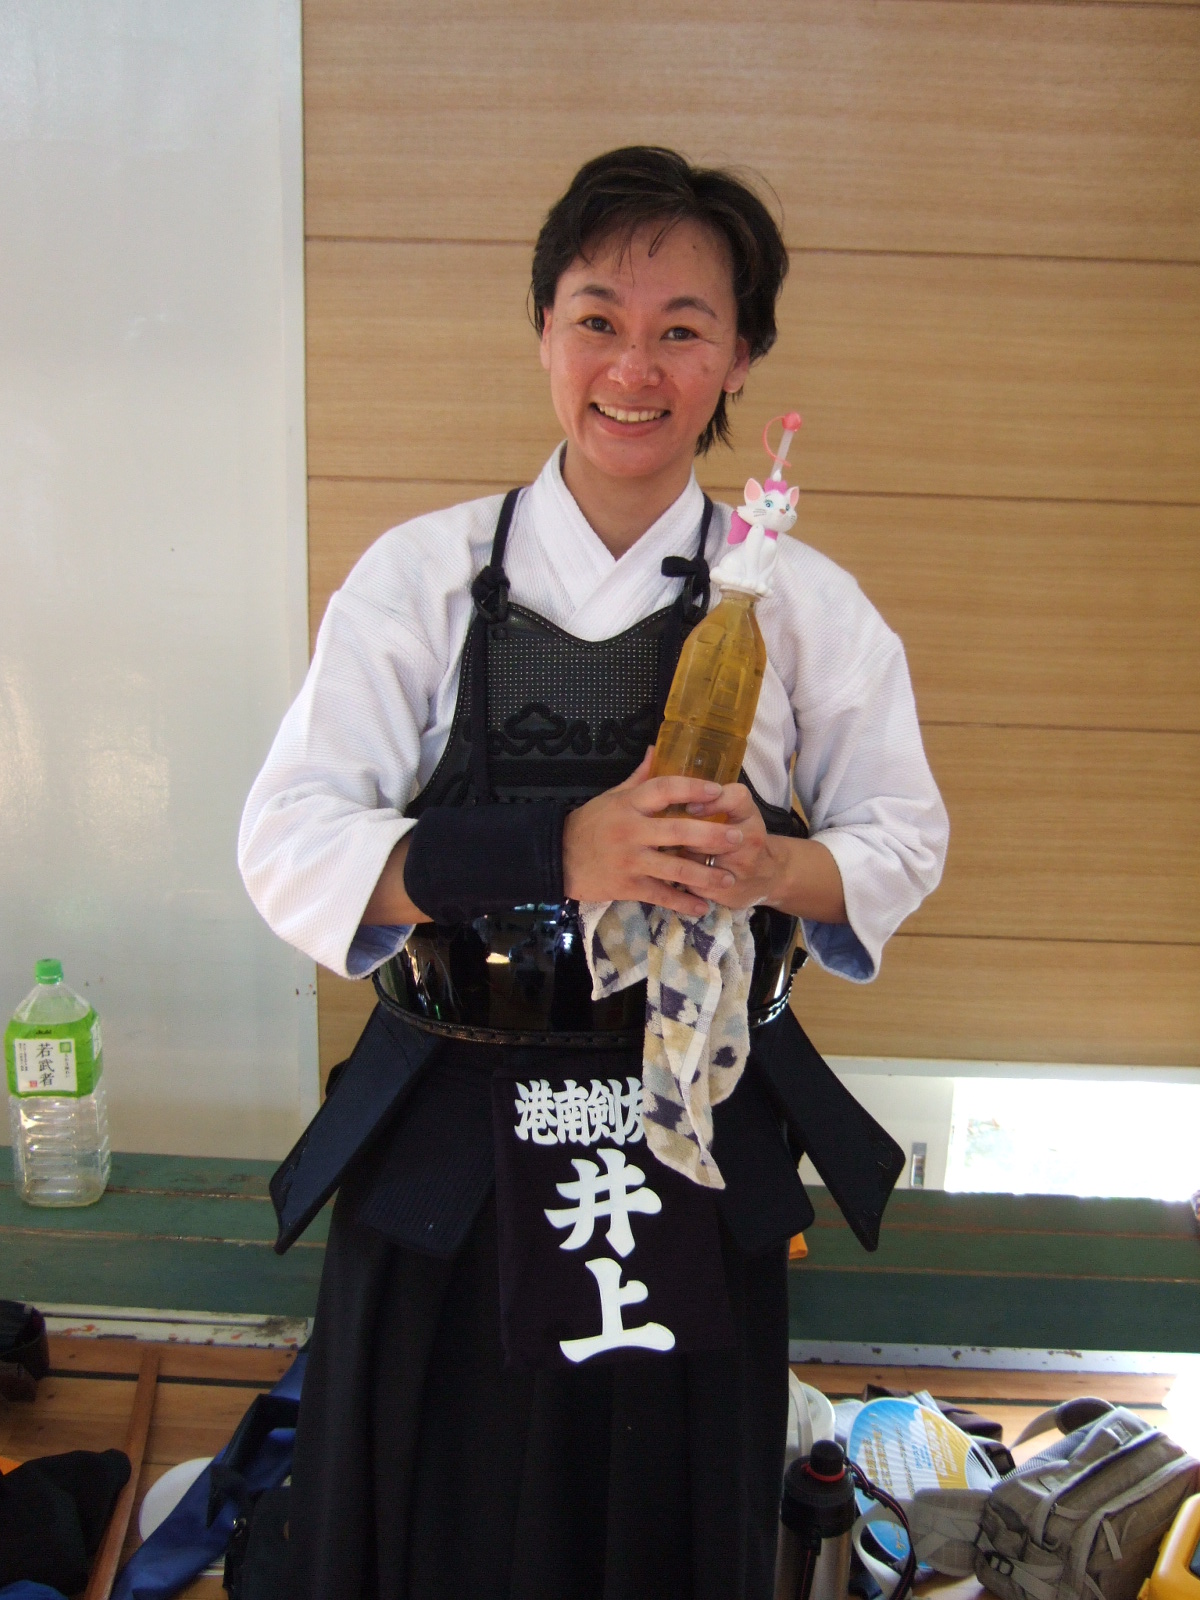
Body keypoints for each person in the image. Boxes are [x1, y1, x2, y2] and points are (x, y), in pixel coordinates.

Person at [239, 146, 948, 1600]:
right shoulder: (422, 577)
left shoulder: (800, 603)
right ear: (543, 333)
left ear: (740, 357)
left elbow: (901, 839)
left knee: (659, 1524)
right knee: (427, 1517)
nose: (635, 368)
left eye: (684, 328)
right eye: (597, 321)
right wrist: (556, 849)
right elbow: (290, 843)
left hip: (688, 1126)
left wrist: (775, 864)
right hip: (452, 1129)